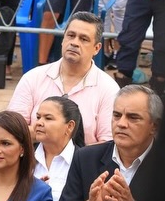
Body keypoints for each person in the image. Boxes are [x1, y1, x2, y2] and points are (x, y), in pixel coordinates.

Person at [9, 12, 120, 144]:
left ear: (96, 48)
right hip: (34, 161)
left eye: (83, 39)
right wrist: (54, 134)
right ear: (63, 40)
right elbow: (11, 129)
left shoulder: (109, 89)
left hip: (82, 164)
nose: (75, 43)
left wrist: (65, 148)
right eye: (71, 36)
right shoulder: (33, 77)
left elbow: (108, 143)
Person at [33, 95, 85, 201]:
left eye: (48, 118)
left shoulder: (84, 161)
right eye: (38, 117)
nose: (39, 123)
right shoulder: (24, 156)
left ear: (70, 126)